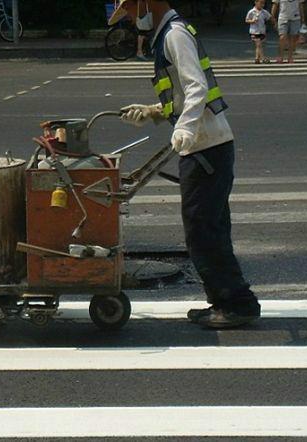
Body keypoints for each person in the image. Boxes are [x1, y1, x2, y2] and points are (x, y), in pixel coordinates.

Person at [108, 0, 261, 329]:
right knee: (211, 229)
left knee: (202, 231)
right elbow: (181, 95)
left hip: (206, 148)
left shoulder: (174, 35)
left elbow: (197, 88)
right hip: (206, 147)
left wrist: (185, 127)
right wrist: (154, 111)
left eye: (133, 11)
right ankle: (229, 301)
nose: (133, 19)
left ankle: (235, 305)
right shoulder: (168, 33)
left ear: (148, 3)